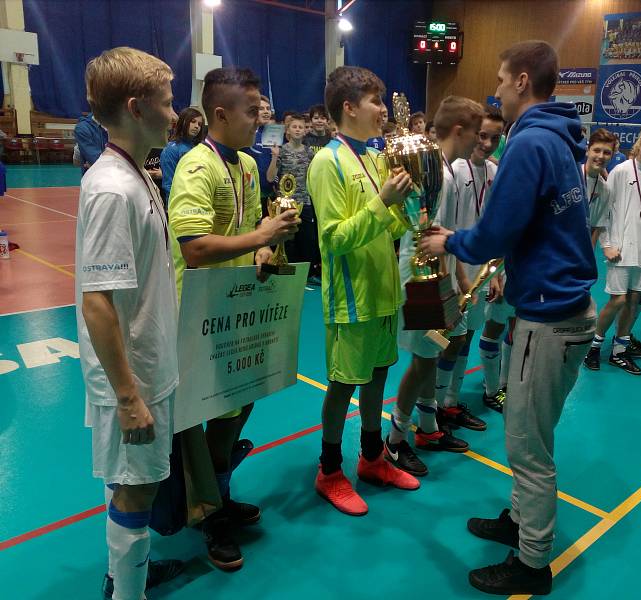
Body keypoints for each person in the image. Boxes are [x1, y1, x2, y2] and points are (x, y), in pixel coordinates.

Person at [419, 40, 597, 596]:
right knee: (528, 432)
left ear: (522, 81)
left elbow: (496, 231)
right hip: (558, 304)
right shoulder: (557, 137)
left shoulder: (530, 144)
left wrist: (451, 240)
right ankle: (520, 521)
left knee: (527, 443)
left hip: (550, 315)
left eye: (500, 79)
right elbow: (528, 227)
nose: (495, 89)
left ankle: (532, 561)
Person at [168, 67, 299, 570]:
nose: (260, 117)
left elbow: (245, 234)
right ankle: (207, 512)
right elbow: (196, 247)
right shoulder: (196, 168)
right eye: (252, 110)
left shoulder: (246, 164)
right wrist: (260, 238)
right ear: (220, 114)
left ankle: (216, 496)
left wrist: (262, 254)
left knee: (237, 406)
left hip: (238, 305)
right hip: (198, 313)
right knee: (202, 414)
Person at [76, 46, 183, 600]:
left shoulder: (137, 173)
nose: (176, 112)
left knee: (132, 481)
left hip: (147, 363)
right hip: (132, 376)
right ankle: (127, 594)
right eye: (168, 102)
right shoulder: (113, 189)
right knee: (138, 489)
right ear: (138, 108)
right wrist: (127, 396)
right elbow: (98, 301)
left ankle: (126, 571)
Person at [306, 65, 420, 516]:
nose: (384, 109)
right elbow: (333, 239)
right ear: (348, 108)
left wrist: (409, 208)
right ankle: (329, 470)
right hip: (350, 297)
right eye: (376, 101)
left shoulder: (376, 158)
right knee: (342, 386)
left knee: (377, 378)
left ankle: (372, 458)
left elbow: (387, 224)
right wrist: (383, 201)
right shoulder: (326, 162)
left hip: (384, 292)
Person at [385, 95, 485, 478]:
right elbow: (427, 237)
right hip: (422, 276)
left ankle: (427, 427)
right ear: (459, 130)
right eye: (476, 132)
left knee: (450, 342)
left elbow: (448, 233)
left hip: (443, 272)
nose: (479, 140)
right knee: (425, 357)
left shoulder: (450, 170)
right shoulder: (436, 172)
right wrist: (453, 279)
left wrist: (459, 278)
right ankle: (394, 441)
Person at [584, 123, 641, 376]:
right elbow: (605, 212)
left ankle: (619, 352)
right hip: (620, 248)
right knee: (618, 300)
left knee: (634, 303)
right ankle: (594, 347)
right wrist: (606, 245)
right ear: (639, 141)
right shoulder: (620, 171)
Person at [443, 105, 505, 415]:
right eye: (482, 136)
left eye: (495, 138)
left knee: (467, 336)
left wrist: (493, 273)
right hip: (454, 273)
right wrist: (458, 276)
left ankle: (451, 401)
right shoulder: (452, 169)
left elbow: (493, 228)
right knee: (446, 341)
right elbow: (445, 227)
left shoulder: (494, 172)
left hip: (479, 273)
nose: (488, 144)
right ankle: (437, 405)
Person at [275, 112, 320, 284]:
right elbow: (272, 177)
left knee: (307, 239)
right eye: (294, 126)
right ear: (288, 130)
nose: (298, 129)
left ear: (305, 131)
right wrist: (274, 157)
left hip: (305, 202)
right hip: (286, 202)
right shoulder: (281, 151)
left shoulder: (309, 153)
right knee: (288, 240)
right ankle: (289, 272)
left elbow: (314, 176)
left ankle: (307, 275)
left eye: (301, 127)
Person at [243, 95, 279, 216]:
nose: (266, 112)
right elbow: (243, 167)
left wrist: (275, 156)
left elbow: (273, 173)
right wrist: (253, 190)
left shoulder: (273, 133)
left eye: (268, 109)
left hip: (271, 195)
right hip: (251, 195)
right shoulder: (247, 133)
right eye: (261, 109)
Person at [159, 107, 204, 202]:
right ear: (183, 122)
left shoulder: (200, 148)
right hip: (178, 205)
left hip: (198, 201)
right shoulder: (171, 149)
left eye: (199, 124)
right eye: (193, 121)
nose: (197, 126)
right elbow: (168, 185)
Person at [582, 128, 615, 248]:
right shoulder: (569, 175)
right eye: (596, 150)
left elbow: (596, 226)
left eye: (606, 153)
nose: (601, 156)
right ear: (587, 151)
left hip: (579, 252)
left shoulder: (606, 190)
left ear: (611, 156)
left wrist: (589, 257)